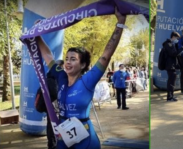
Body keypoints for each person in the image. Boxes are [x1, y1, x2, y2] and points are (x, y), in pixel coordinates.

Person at [37, 8, 126, 149]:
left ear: (83, 64)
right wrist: (38, 35)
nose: (67, 62)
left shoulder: (87, 81)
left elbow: (105, 56)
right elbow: (48, 56)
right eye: (66, 59)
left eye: (73, 59)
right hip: (63, 137)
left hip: (85, 140)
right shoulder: (60, 76)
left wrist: (120, 22)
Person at [163, 31, 181, 101]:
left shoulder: (172, 44)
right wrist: (180, 50)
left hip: (172, 65)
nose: (177, 40)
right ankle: (169, 97)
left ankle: (171, 95)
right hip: (169, 65)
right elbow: (173, 54)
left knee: (172, 81)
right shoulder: (168, 44)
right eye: (176, 38)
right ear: (173, 37)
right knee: (171, 81)